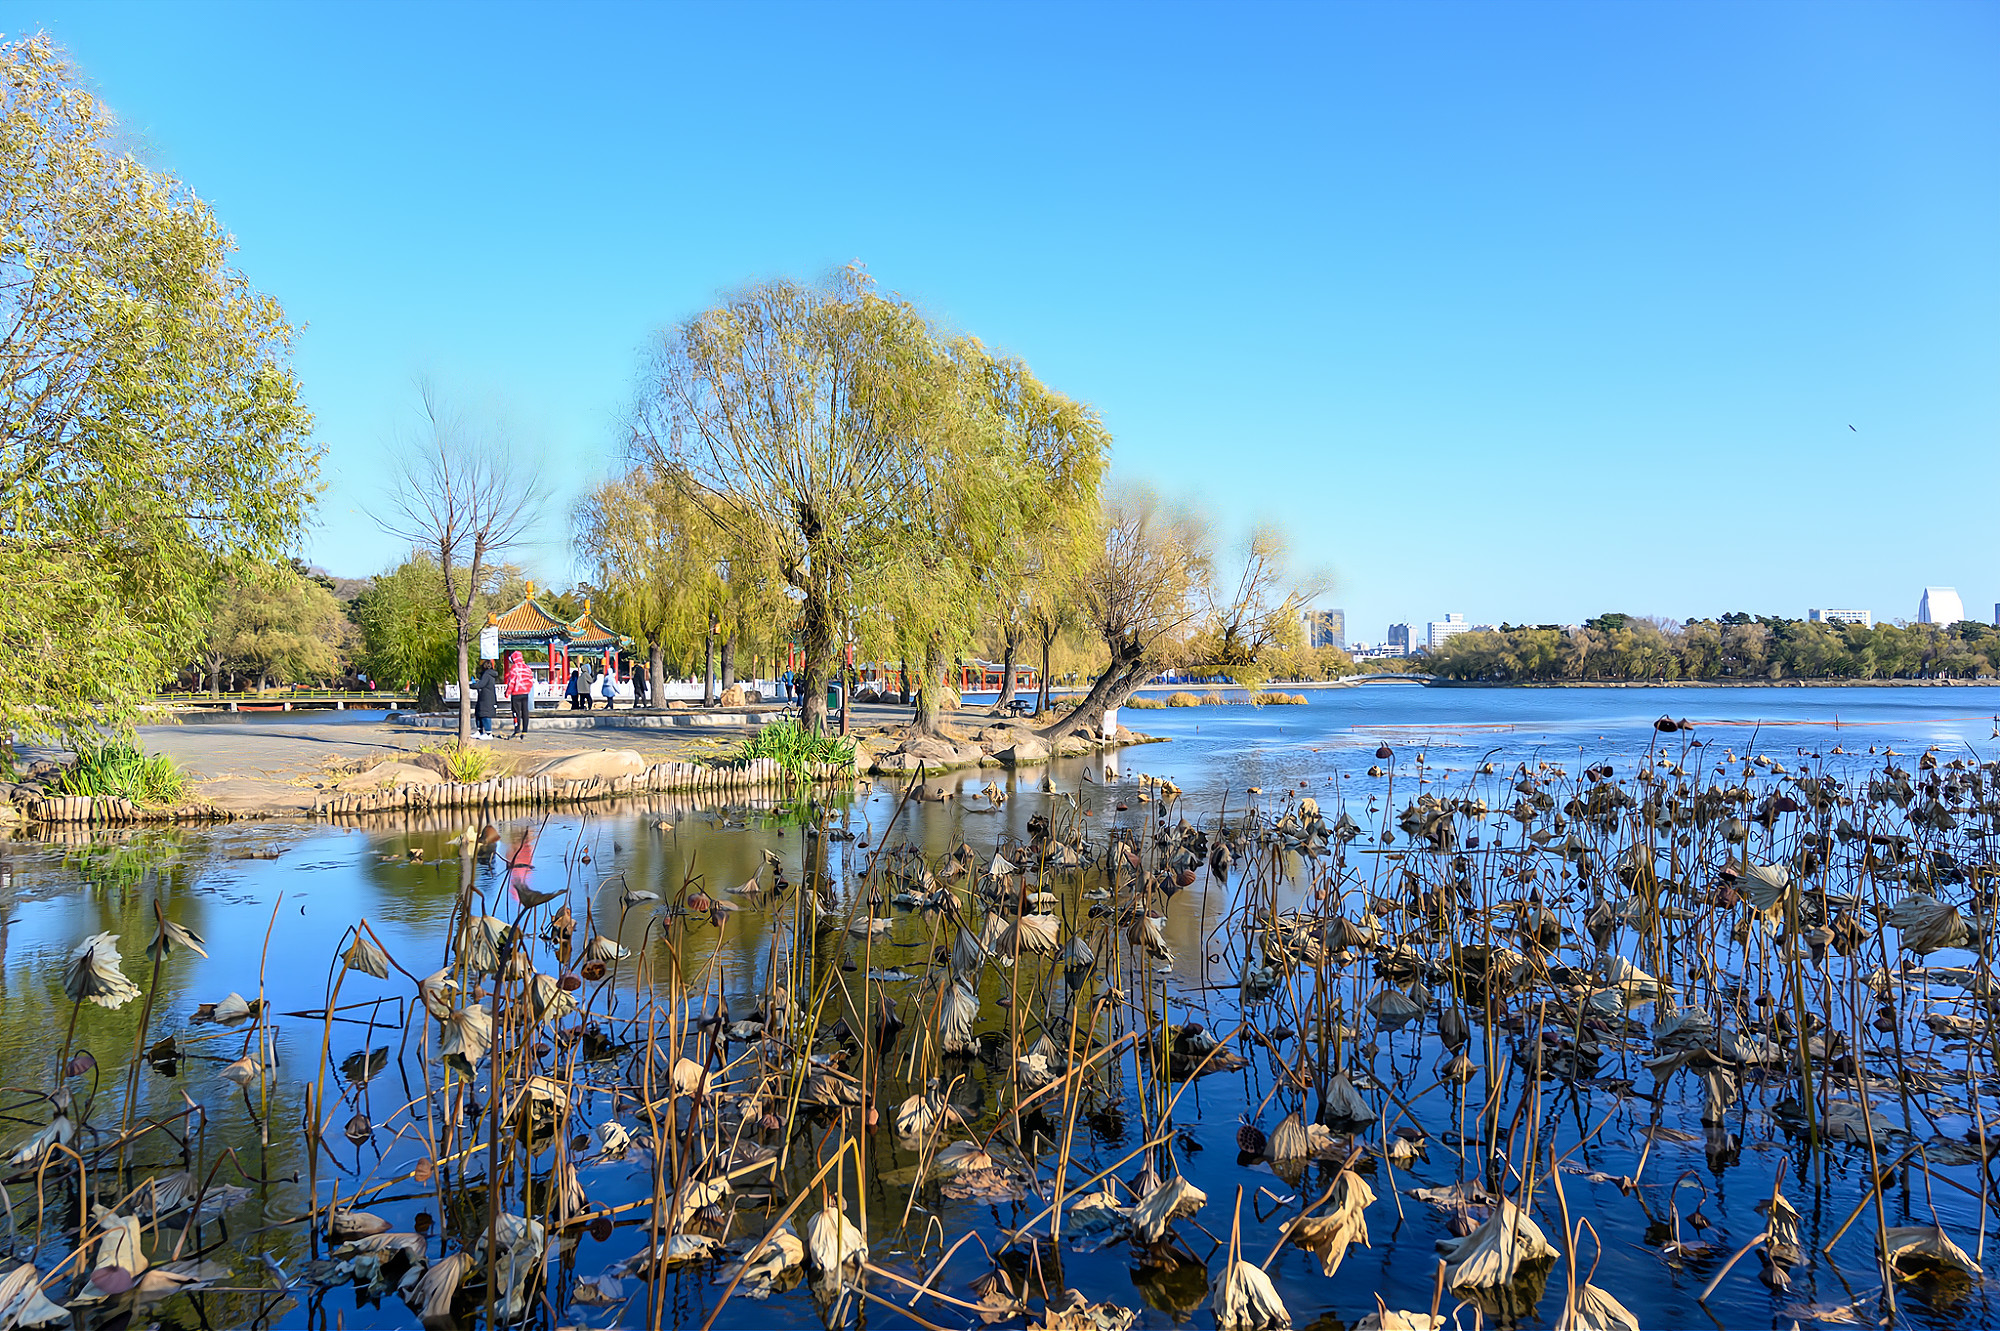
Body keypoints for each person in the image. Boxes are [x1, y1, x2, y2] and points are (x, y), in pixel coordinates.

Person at [504, 651, 534, 737]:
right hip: (525, 693)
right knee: (525, 712)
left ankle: (517, 730)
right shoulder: (527, 668)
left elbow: (512, 682)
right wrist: (527, 689)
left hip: (516, 693)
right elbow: (531, 680)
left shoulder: (514, 668)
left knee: (516, 713)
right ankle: (525, 730)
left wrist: (507, 693)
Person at [474, 660, 499, 738]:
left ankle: (488, 733)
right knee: (479, 713)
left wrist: (472, 685)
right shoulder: (486, 675)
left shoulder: (487, 675)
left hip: (487, 698)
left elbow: (481, 684)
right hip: (484, 697)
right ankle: (479, 730)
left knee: (485, 714)